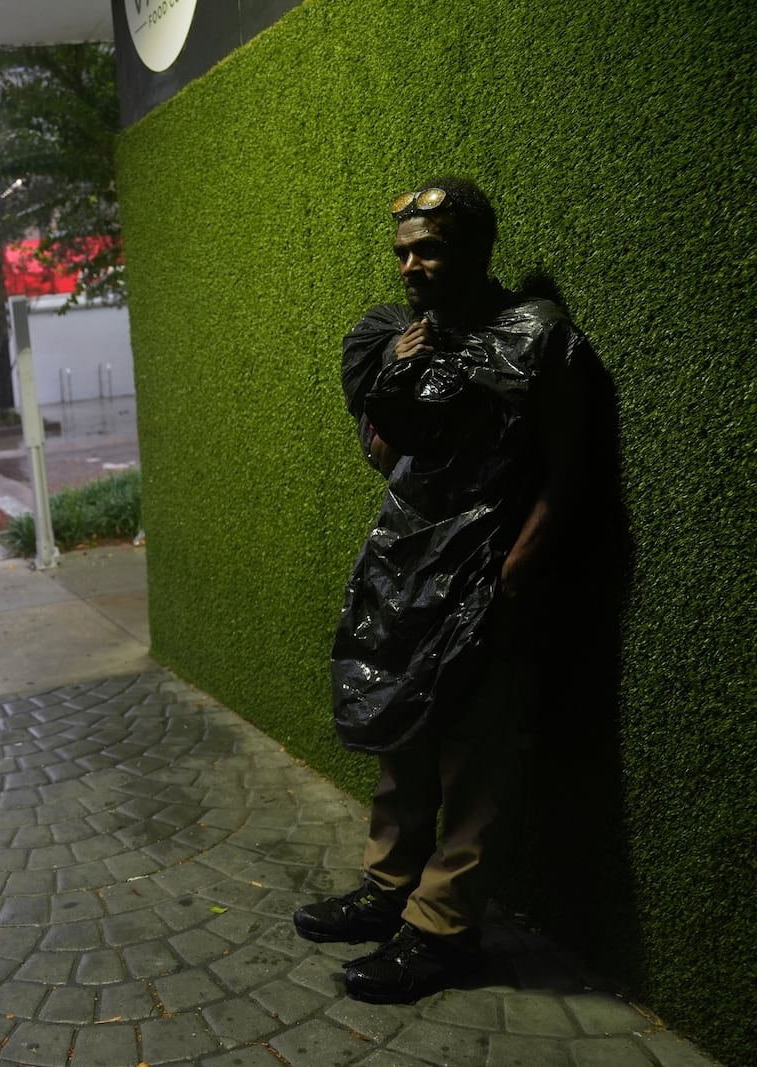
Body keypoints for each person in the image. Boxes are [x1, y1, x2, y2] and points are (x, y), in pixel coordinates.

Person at [295, 177, 589, 1003]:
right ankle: (389, 890)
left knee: (472, 757)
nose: (411, 266)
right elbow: (391, 458)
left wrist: (508, 576)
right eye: (402, 253)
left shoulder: (540, 339)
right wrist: (391, 380)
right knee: (404, 736)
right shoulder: (408, 339)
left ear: (474, 248)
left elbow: (567, 477)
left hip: (483, 574)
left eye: (428, 249)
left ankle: (441, 928)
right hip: (404, 572)